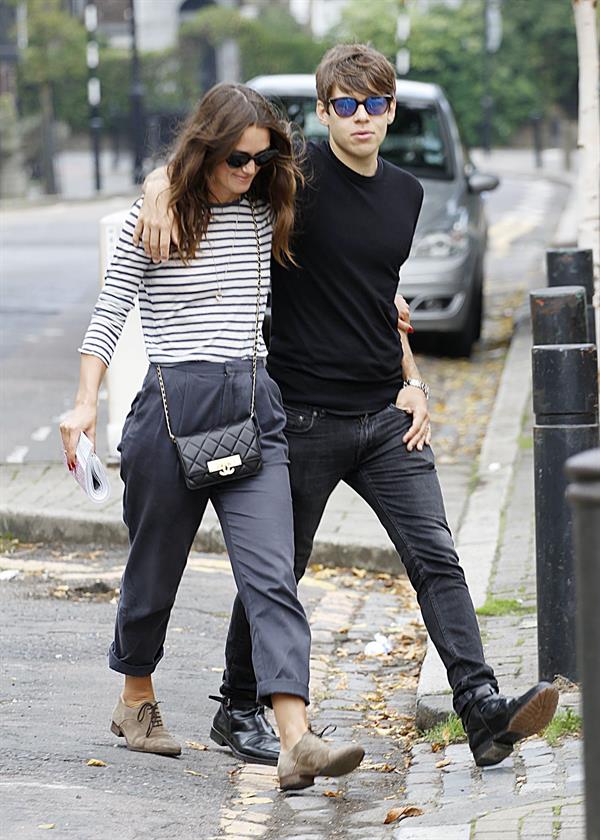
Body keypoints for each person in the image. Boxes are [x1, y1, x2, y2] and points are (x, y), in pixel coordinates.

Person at [136, 45, 559, 770]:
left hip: (385, 418)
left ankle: (481, 710)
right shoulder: (291, 182)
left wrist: (415, 379)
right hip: (301, 415)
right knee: (280, 568)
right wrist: (153, 190)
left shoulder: (407, 193)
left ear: (391, 109)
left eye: (374, 105)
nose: (360, 118)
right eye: (345, 105)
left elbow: (380, 301)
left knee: (436, 557)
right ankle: (239, 707)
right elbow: (207, 164)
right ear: (325, 109)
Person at [59, 82, 365, 792]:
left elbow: (330, 171)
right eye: (235, 159)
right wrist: (82, 404)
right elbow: (109, 313)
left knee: (271, 575)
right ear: (204, 150)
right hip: (172, 407)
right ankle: (135, 699)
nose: (248, 171)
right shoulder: (161, 212)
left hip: (254, 401)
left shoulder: (266, 204)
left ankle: (296, 739)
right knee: (154, 570)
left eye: (260, 159)